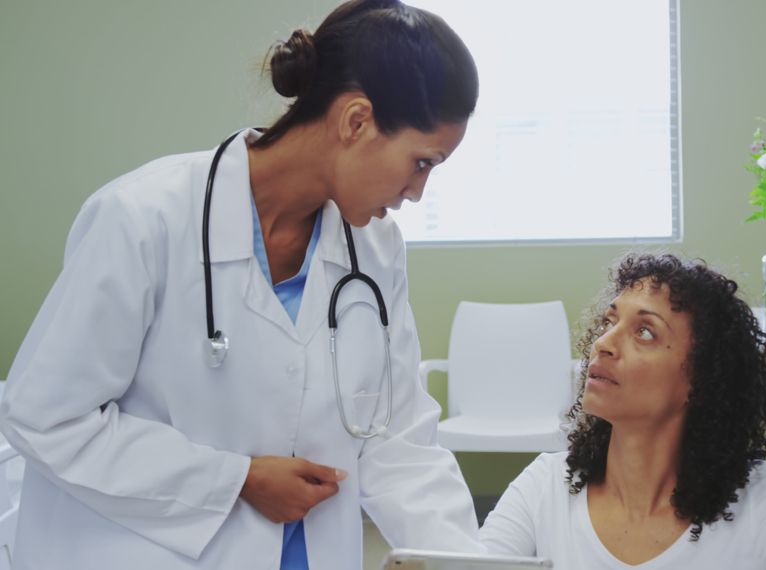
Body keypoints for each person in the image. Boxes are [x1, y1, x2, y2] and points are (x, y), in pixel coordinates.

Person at [0, 1, 482, 568]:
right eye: (422, 162)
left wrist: (468, 562)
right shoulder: (143, 218)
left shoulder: (375, 250)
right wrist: (234, 479)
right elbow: (45, 416)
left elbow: (397, 438)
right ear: (356, 121)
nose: (417, 192)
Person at [479, 253, 766, 569]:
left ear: (702, 381)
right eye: (610, 322)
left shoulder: (754, 500)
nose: (603, 343)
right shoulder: (545, 487)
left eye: (645, 332)